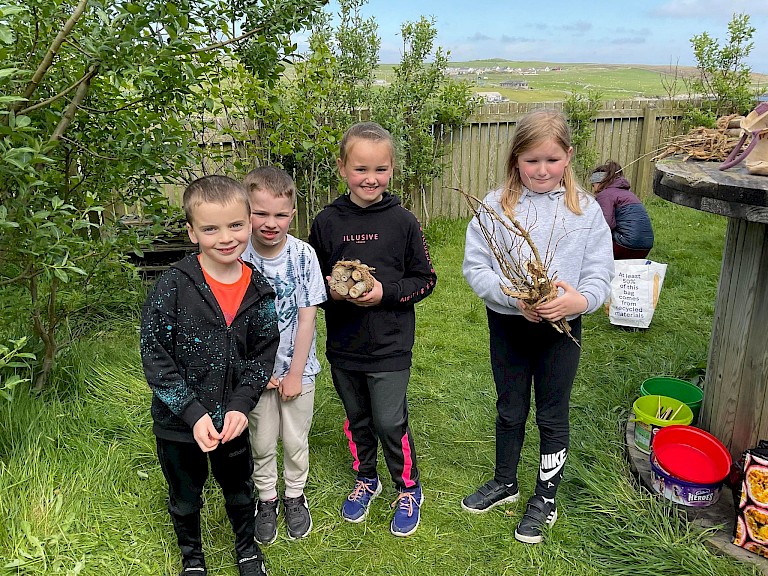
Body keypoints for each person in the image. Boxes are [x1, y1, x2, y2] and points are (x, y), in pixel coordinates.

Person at [461, 109, 614, 544]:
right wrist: (513, 297)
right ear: (515, 160)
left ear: (568, 156)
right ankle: (505, 482)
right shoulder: (494, 208)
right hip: (509, 328)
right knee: (510, 407)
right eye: (531, 161)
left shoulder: (585, 212)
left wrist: (577, 301)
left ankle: (544, 497)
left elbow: (600, 275)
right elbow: (476, 267)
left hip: (560, 334)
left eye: (551, 160)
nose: (542, 170)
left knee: (552, 413)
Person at [141, 175, 279, 576]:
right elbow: (155, 358)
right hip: (179, 426)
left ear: (250, 222)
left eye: (236, 225)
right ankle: (192, 559)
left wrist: (240, 404)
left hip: (232, 423)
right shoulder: (172, 287)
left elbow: (262, 354)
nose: (225, 237)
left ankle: (247, 550)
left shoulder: (260, 289)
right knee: (185, 496)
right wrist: (191, 411)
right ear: (192, 231)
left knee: (239, 491)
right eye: (210, 228)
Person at [308, 121, 437, 537]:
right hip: (344, 344)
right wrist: (335, 294)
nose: (370, 178)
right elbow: (314, 283)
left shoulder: (403, 221)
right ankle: (367, 477)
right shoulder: (326, 222)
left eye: (380, 169)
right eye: (361, 169)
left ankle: (408, 487)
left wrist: (384, 292)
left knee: (387, 419)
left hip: (390, 344)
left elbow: (426, 279)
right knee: (357, 417)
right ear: (342, 168)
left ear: (392, 169)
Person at [241, 167, 327, 544]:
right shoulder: (238, 256)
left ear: (292, 214)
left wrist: (294, 373)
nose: (270, 223)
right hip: (255, 374)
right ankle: (266, 498)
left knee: (295, 440)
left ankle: (294, 495)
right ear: (246, 213)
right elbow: (232, 323)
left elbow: (307, 318)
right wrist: (253, 372)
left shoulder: (304, 256)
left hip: (298, 371)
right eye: (260, 213)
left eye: (279, 215)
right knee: (261, 441)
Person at [589, 160, 654, 259]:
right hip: (646, 244)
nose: (593, 190)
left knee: (592, 250)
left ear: (599, 182)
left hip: (625, 245)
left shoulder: (605, 194)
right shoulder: (628, 194)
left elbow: (605, 224)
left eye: (593, 185)